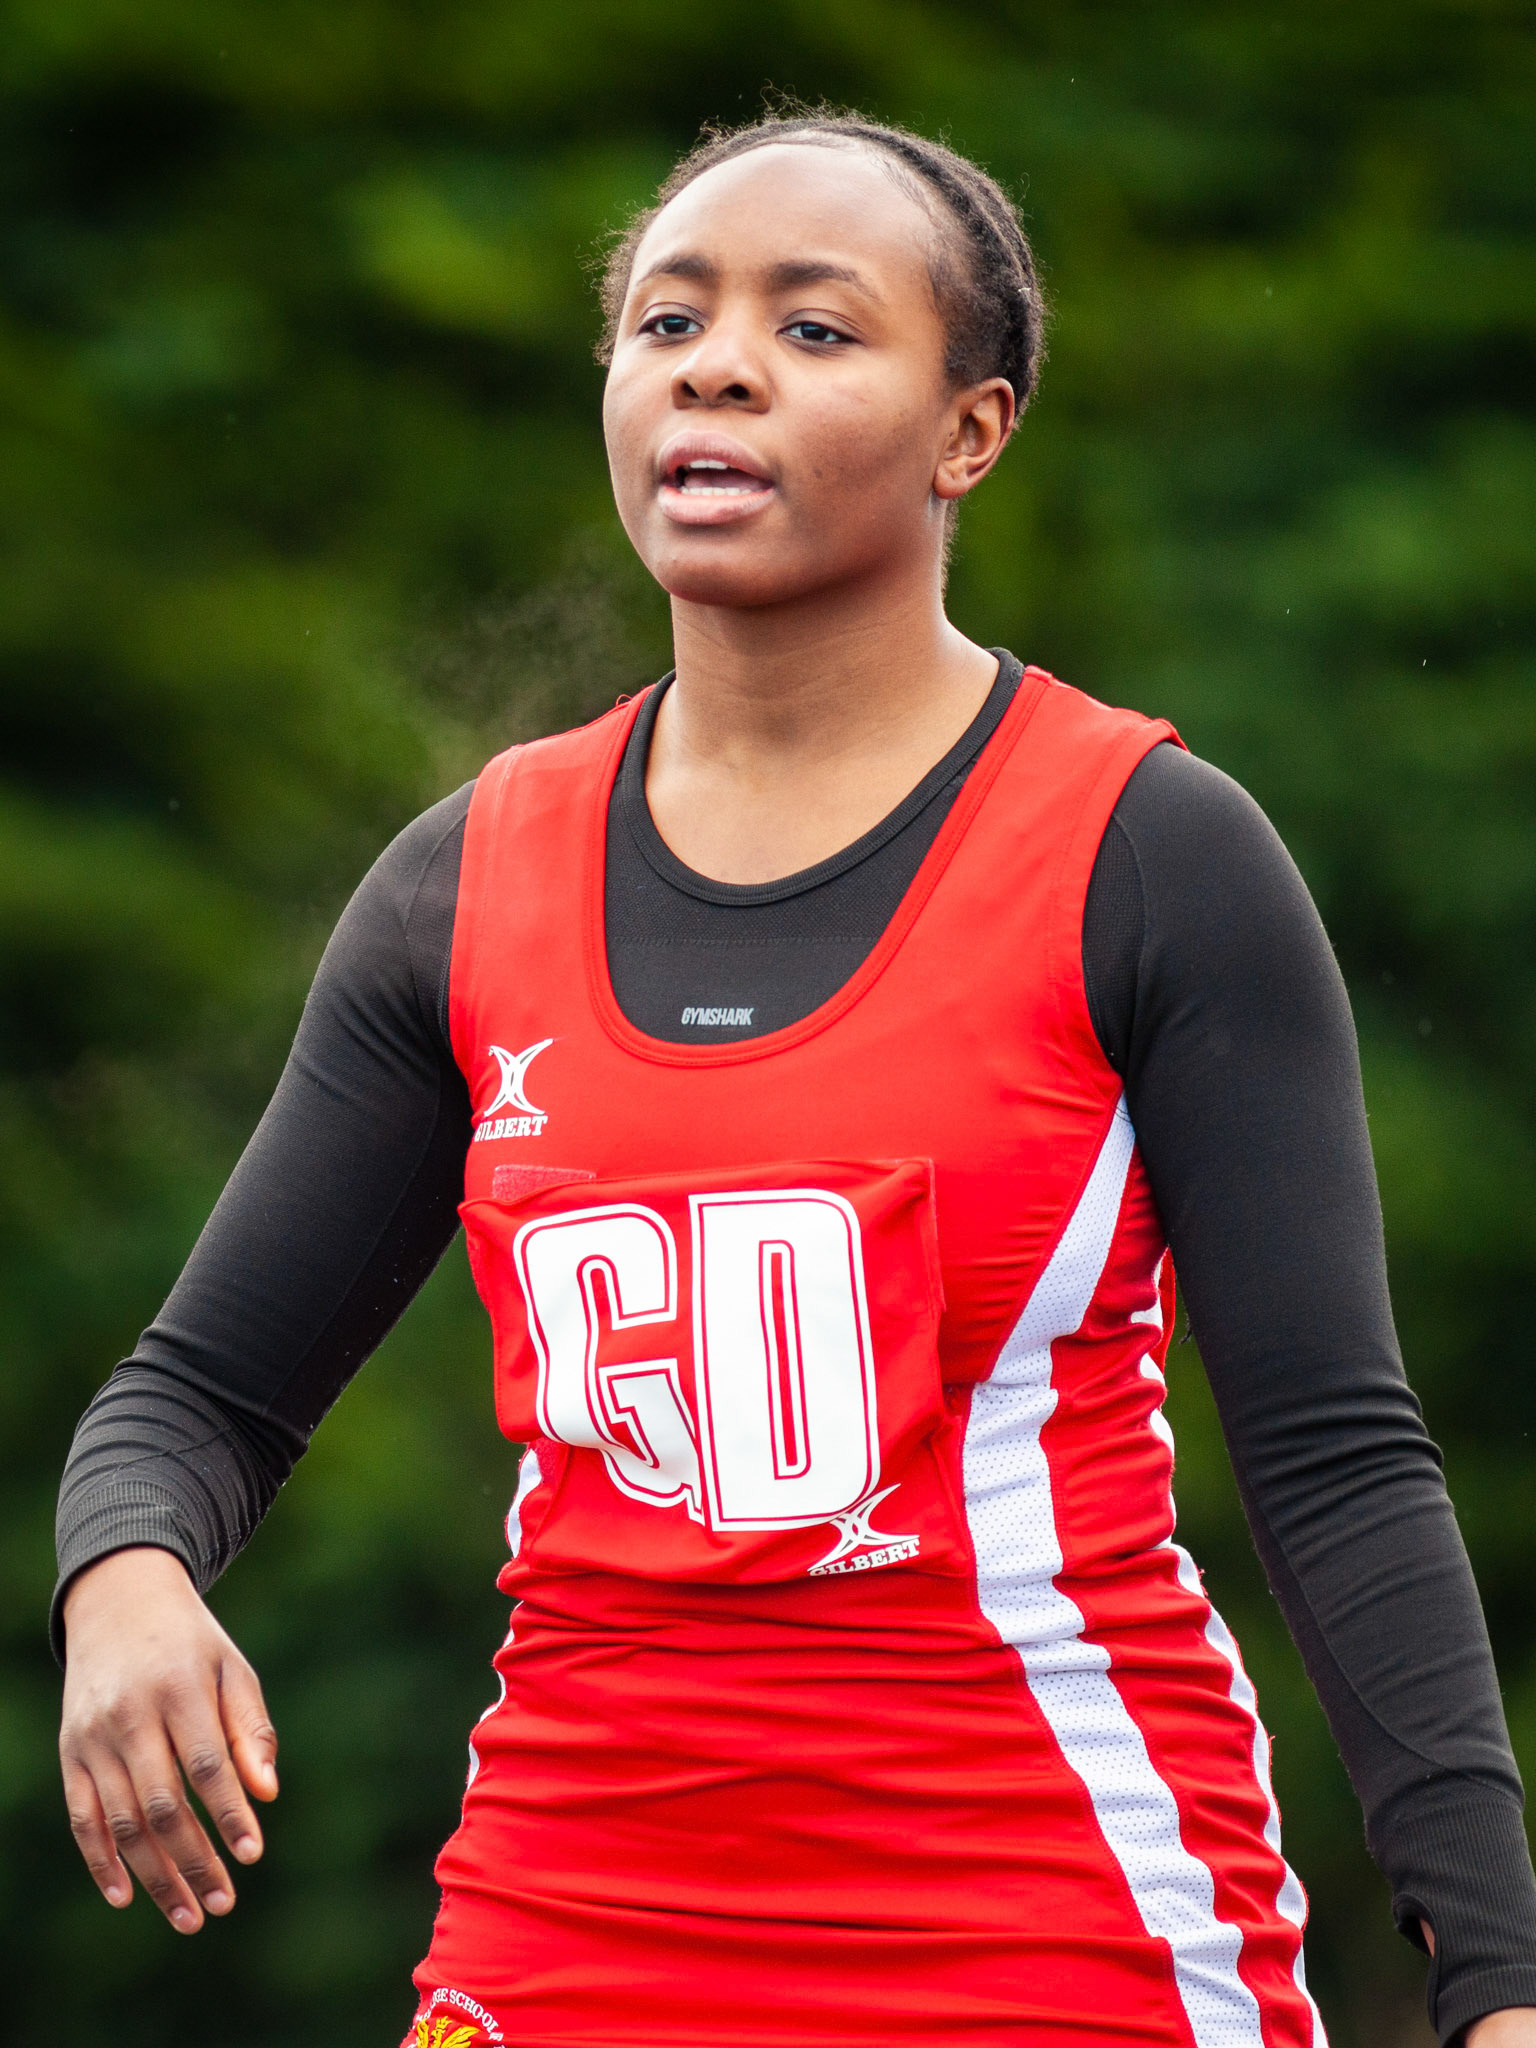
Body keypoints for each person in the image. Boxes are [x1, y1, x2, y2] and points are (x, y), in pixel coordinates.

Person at [54, 110, 1536, 2048]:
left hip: (1043, 1935)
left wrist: (1499, 1980)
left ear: (971, 431)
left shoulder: (1148, 852)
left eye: (815, 328)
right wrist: (126, 1576)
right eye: (667, 321)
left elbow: (1335, 1462)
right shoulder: (464, 882)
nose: (718, 364)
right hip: (564, 1934)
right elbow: (200, 1396)